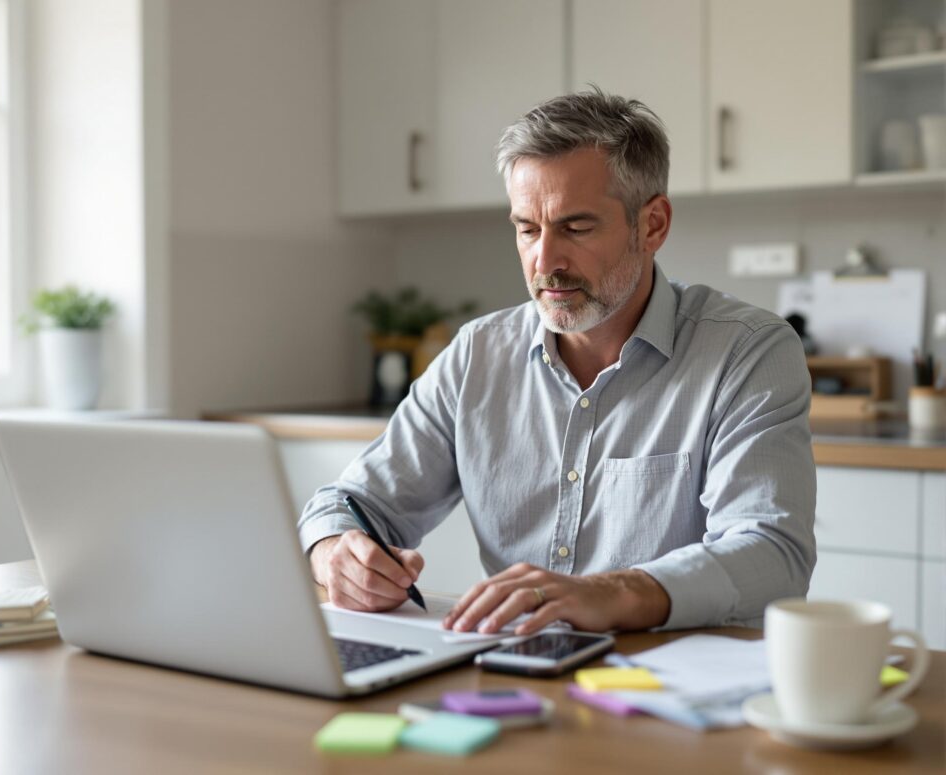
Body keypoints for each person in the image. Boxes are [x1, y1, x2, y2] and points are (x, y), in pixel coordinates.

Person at [298, 88, 816, 635]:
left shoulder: (749, 351)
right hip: (512, 673)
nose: (545, 261)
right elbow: (350, 502)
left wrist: (611, 592)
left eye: (576, 227)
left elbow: (771, 556)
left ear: (653, 225)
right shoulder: (477, 354)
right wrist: (335, 550)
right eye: (527, 229)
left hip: (668, 682)